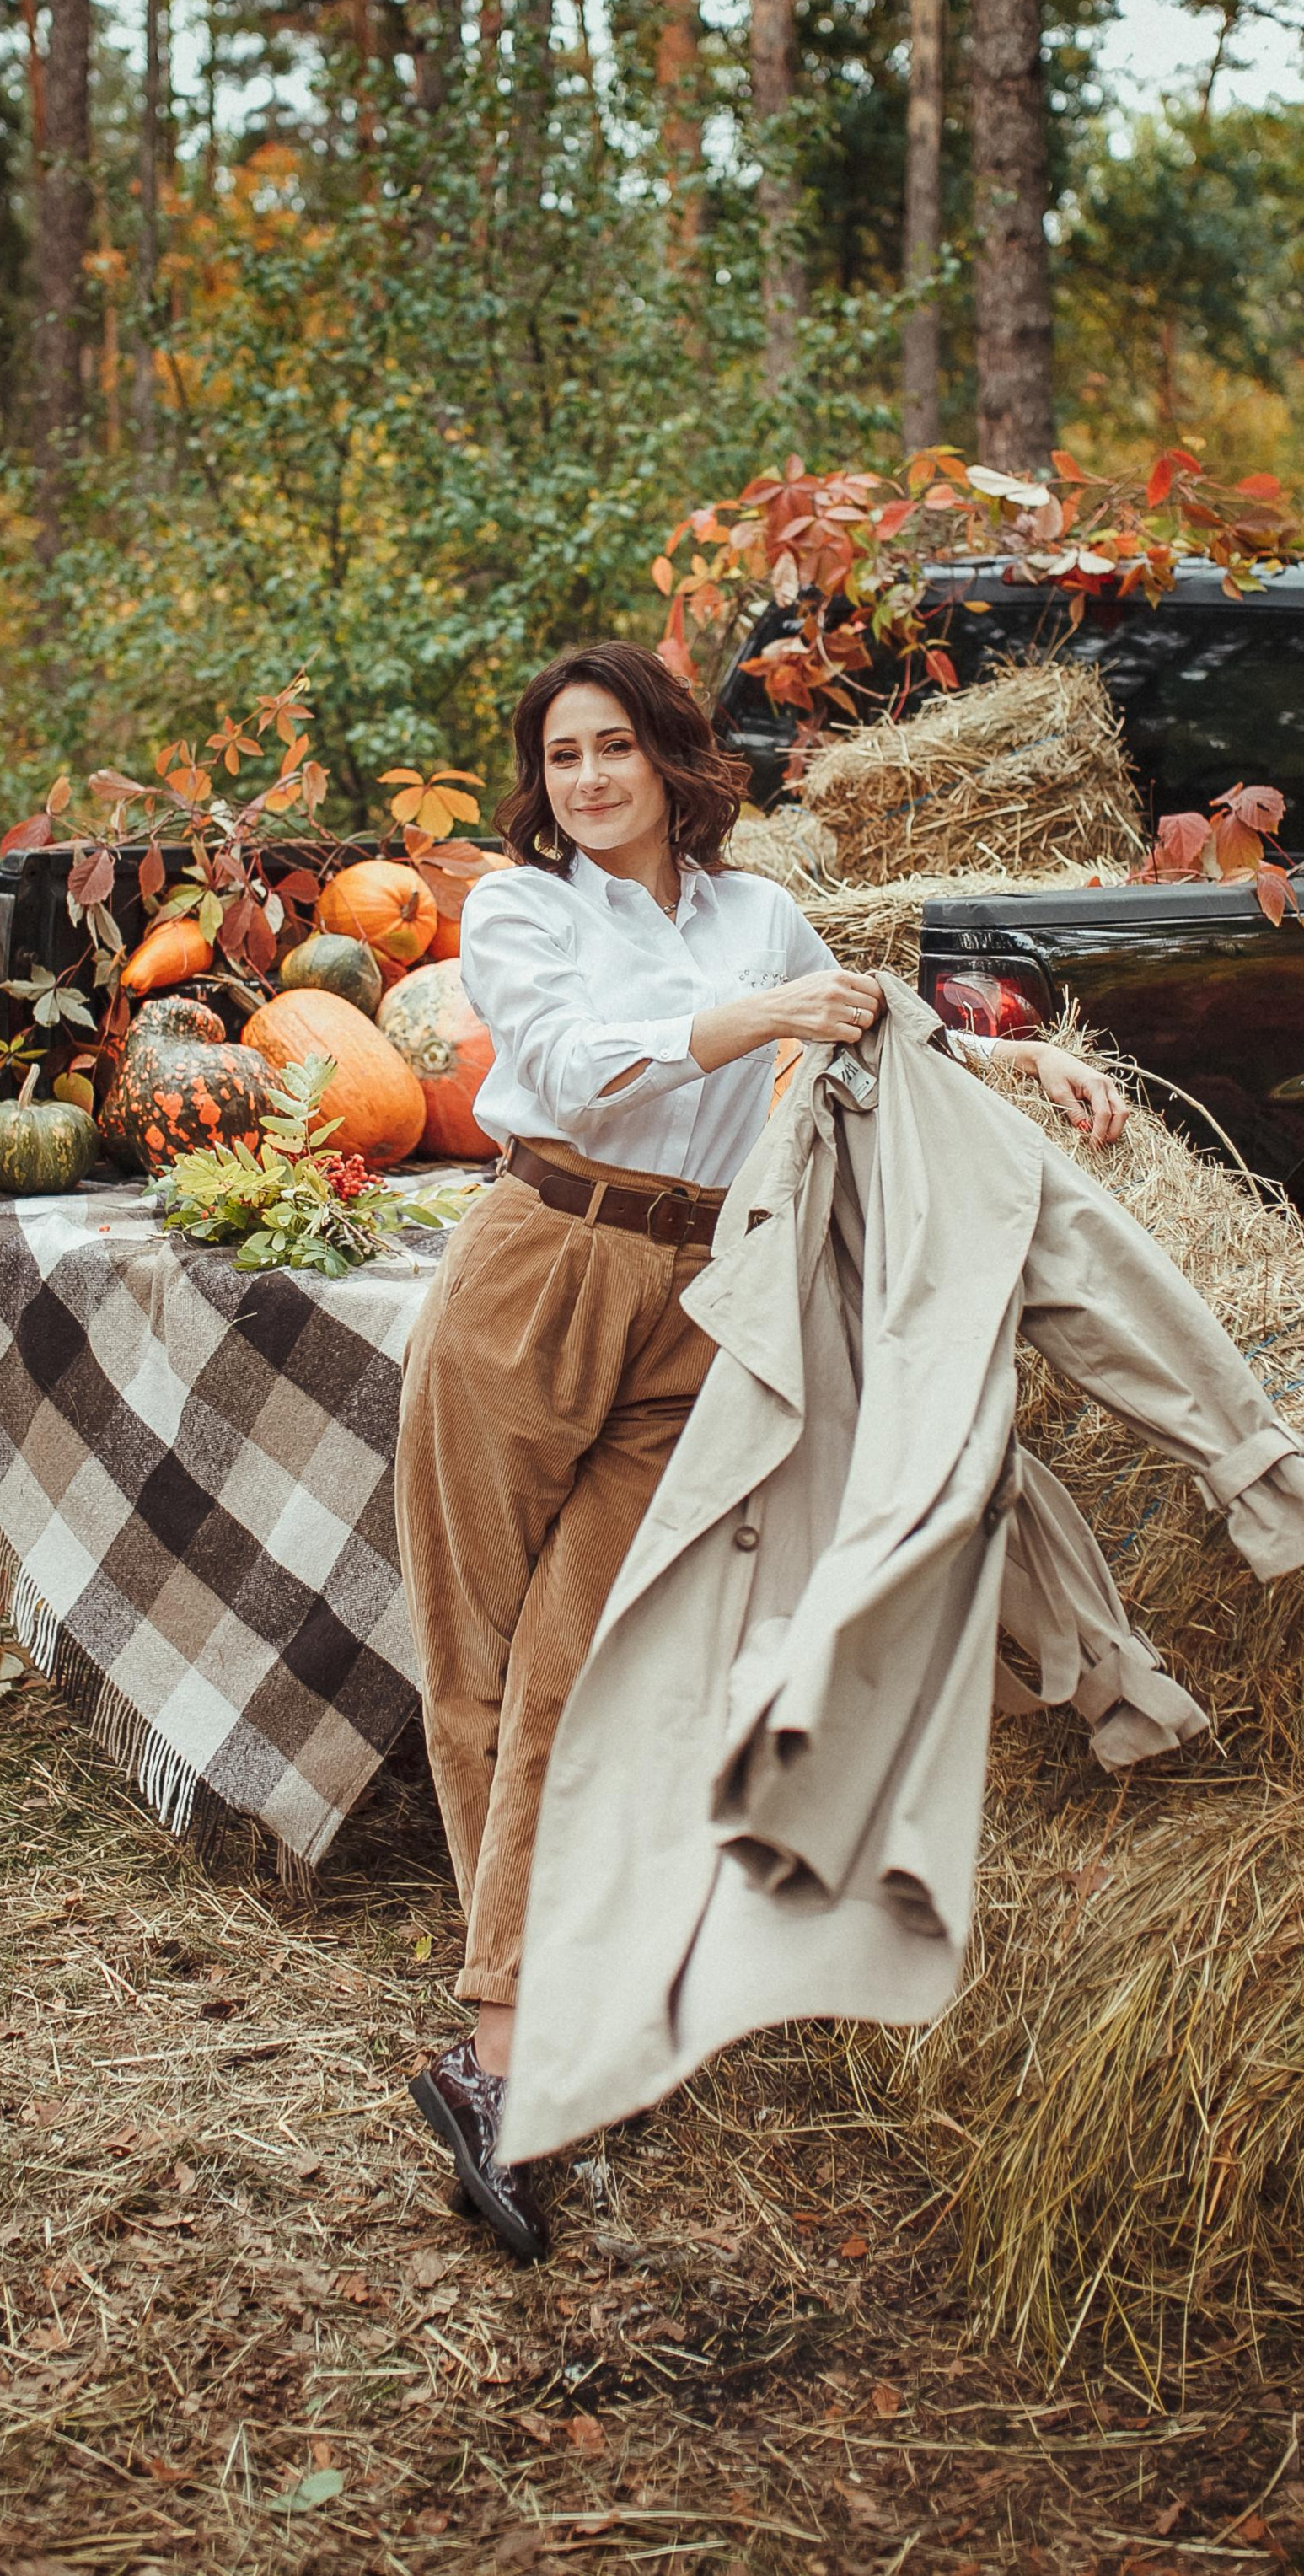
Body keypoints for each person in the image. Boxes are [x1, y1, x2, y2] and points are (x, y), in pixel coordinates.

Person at [394, 640, 1126, 2261]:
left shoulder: (754, 916)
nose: (586, 781)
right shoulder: (521, 911)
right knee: (476, 1651)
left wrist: (1027, 1060)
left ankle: (504, 2052)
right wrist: (768, 1017)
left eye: (613, 751)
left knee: (588, 1665)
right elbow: (578, 1066)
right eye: (561, 757)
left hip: (709, 1297)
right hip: (538, 1266)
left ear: (669, 758)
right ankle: (527, 1996)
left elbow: (863, 1049)